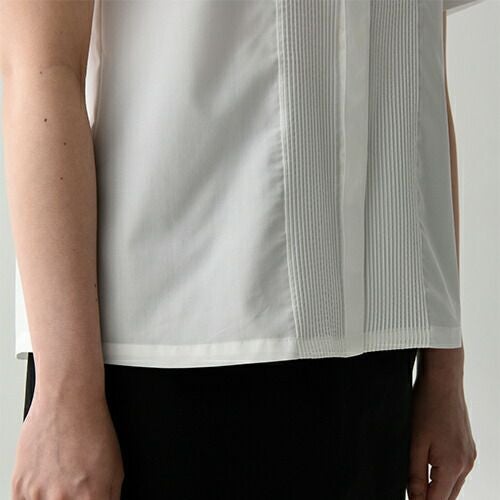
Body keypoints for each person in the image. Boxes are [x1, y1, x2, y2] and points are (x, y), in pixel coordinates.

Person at [0, 0, 482, 498]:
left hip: (377, 364)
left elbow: (420, 61)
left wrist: (445, 367)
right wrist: (63, 392)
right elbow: (39, 65)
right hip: (158, 367)